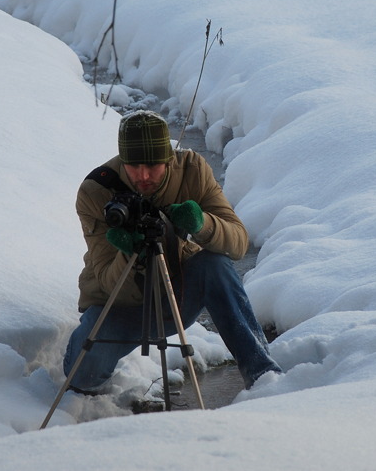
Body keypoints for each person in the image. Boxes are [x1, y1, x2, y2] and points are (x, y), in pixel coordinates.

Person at [63, 110, 281, 393]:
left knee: (215, 265)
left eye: (153, 165)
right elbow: (105, 279)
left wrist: (202, 224)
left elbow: (239, 243)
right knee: (81, 378)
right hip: (118, 307)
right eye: (133, 165)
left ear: (168, 158)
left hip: (176, 291)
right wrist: (130, 252)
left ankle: (265, 377)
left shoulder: (191, 170)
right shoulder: (97, 191)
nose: (143, 175)